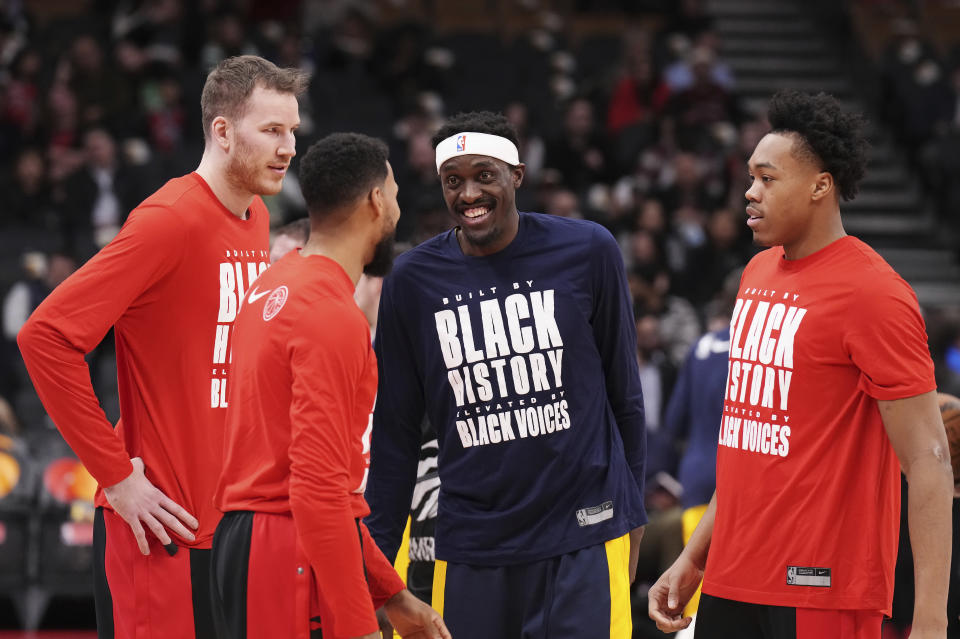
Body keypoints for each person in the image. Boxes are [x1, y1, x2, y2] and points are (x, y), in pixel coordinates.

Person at [16, 55, 306, 639]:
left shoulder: (254, 215)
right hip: (159, 530)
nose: (289, 147)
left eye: (293, 131)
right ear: (222, 132)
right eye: (272, 130)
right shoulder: (168, 220)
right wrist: (117, 477)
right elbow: (45, 337)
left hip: (225, 525)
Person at [648, 90, 954, 639]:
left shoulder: (873, 292)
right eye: (750, 178)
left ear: (820, 186)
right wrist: (694, 557)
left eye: (767, 178)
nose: (749, 192)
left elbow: (929, 459)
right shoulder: (756, 273)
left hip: (822, 585)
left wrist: (931, 616)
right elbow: (749, 441)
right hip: (732, 575)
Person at [366, 110, 648, 638]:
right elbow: (395, 433)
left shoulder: (588, 250)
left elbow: (625, 398)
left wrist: (632, 523)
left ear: (516, 175)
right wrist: (379, 563)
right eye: (454, 181)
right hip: (473, 543)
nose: (468, 193)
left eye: (484, 176)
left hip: (584, 532)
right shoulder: (411, 280)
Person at [212, 132, 450, 639]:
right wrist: (360, 625)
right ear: (375, 201)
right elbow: (320, 491)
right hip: (287, 548)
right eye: (396, 198)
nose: (398, 213)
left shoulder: (270, 288)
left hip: (244, 542)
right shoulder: (331, 315)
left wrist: (393, 593)